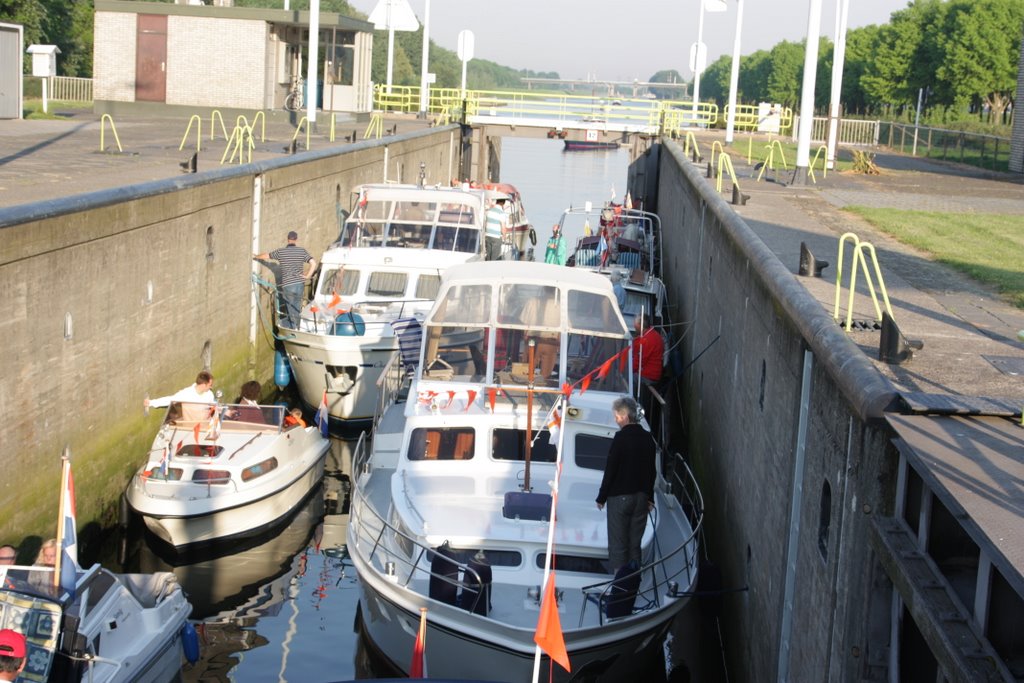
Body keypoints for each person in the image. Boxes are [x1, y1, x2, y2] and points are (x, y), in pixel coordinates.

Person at [595, 397, 656, 573]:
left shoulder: (621, 438)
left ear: (624, 416)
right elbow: (652, 471)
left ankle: (620, 586)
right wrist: (649, 497)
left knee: (618, 545)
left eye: (616, 416)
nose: (615, 420)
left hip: (620, 498)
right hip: (641, 499)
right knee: (634, 544)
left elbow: (611, 469)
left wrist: (602, 497)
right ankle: (634, 583)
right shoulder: (648, 438)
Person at [254, 230, 317, 329]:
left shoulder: (281, 252)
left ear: (288, 239)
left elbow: (266, 256)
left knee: (290, 308)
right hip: (299, 284)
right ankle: (298, 327)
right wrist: (308, 276)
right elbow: (313, 263)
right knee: (297, 307)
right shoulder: (301, 251)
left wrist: (256, 256)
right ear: (296, 240)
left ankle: (294, 328)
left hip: (288, 285)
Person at [632, 316, 663, 386]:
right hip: (653, 373)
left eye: (635, 325)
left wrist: (627, 369)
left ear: (641, 326)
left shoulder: (648, 340)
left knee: (627, 378)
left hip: (649, 376)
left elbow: (640, 360)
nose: (634, 327)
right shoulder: (652, 334)